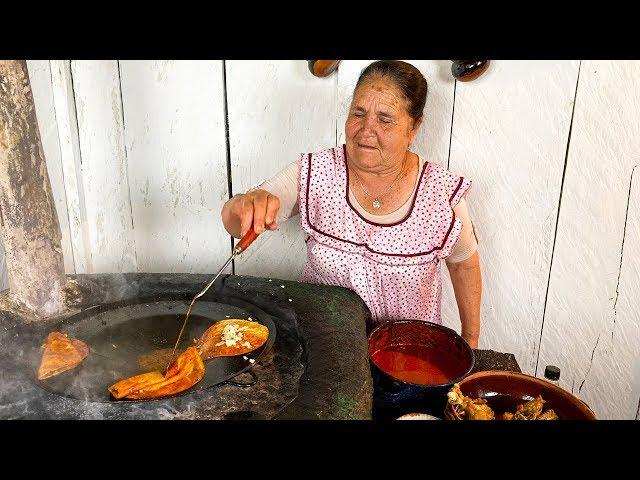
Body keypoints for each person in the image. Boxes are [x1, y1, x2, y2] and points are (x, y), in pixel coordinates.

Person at [222, 60, 481, 348]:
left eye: (385, 119)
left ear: (414, 128)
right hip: (323, 350)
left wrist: (470, 341)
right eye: (358, 113)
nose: (365, 129)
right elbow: (234, 223)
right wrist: (244, 205)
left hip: (407, 359)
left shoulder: (441, 192)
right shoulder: (316, 171)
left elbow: (463, 266)